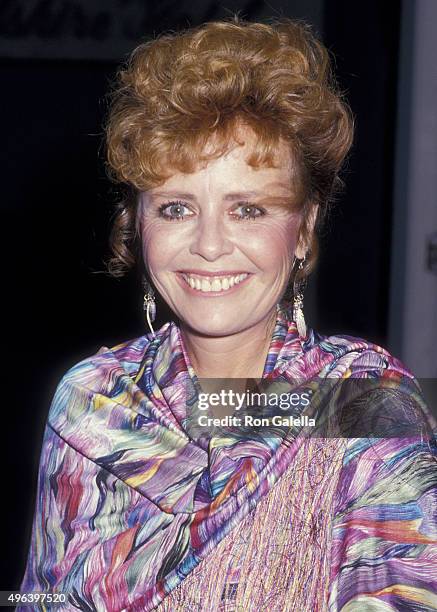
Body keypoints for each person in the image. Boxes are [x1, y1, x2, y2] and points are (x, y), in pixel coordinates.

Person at [19, 16, 437, 612]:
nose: (210, 244)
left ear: (304, 228)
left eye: (248, 210)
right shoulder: (91, 401)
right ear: (135, 225)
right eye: (175, 208)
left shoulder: (366, 405)